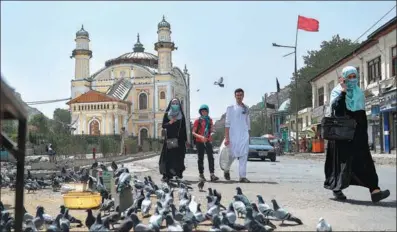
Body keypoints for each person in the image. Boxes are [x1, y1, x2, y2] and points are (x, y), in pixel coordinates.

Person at [324, 66, 390, 203]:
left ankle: (375, 190)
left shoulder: (359, 93)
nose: (352, 80)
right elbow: (337, 109)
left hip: (358, 135)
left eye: (355, 76)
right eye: (349, 77)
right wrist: (343, 91)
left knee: (365, 161)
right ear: (343, 78)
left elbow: (361, 115)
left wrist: (363, 135)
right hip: (342, 136)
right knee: (341, 162)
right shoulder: (337, 92)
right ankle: (337, 189)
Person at [223, 88, 251, 183]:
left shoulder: (246, 108)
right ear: (235, 96)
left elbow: (248, 123)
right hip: (233, 135)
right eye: (237, 95)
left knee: (244, 155)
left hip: (244, 135)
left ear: (243, 96)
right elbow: (227, 124)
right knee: (231, 155)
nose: (239, 97)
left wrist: (248, 135)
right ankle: (226, 170)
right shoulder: (230, 108)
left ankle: (242, 176)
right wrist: (227, 137)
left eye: (241, 95)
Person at [158, 98, 188, 182]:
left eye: (176, 103)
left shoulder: (181, 115)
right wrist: (170, 122)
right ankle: (167, 175)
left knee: (179, 157)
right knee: (168, 157)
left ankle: (178, 174)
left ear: (179, 104)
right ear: (170, 104)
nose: (175, 104)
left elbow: (184, 128)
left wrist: (186, 140)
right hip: (170, 139)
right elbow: (164, 125)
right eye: (173, 103)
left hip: (180, 140)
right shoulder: (167, 114)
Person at [192, 104, 219, 182]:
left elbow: (211, 129)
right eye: (202, 111)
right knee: (200, 158)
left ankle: (212, 174)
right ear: (200, 112)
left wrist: (213, 131)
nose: (204, 112)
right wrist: (201, 137)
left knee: (211, 157)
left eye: (205, 111)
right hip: (199, 141)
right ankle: (201, 174)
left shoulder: (210, 120)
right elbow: (193, 132)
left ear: (208, 111)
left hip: (207, 141)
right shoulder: (197, 120)